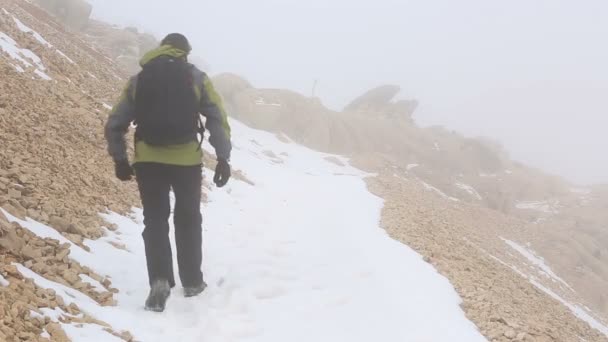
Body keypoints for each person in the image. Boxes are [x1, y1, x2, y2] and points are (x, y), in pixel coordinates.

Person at [104, 33, 232, 312]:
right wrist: (223, 156)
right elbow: (217, 118)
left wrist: (120, 159)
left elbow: (115, 122)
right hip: (186, 162)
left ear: (161, 48)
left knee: (155, 219)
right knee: (188, 219)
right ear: (185, 52)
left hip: (148, 161)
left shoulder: (139, 79)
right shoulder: (196, 77)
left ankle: (160, 281)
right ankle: (193, 282)